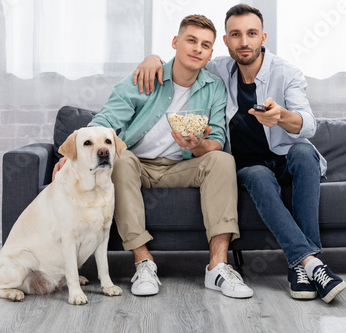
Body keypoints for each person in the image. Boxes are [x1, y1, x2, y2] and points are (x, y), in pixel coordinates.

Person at [134, 4, 346, 303]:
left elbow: (308, 125)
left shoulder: (287, 73)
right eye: (236, 35)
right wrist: (152, 58)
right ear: (226, 41)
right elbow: (185, 57)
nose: (244, 42)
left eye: (251, 34)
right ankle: (311, 265)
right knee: (258, 174)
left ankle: (302, 265)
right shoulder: (218, 68)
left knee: (304, 153)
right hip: (247, 166)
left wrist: (282, 116)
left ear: (263, 37)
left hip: (286, 158)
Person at [53, 14, 253, 299]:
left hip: (182, 166)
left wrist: (197, 145)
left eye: (205, 45)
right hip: (138, 166)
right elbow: (106, 120)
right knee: (119, 159)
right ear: (175, 42)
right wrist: (72, 154)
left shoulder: (214, 87)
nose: (197, 49)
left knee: (223, 160)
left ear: (211, 53)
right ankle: (143, 262)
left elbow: (217, 141)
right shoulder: (146, 76)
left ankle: (218, 266)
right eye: (191, 40)